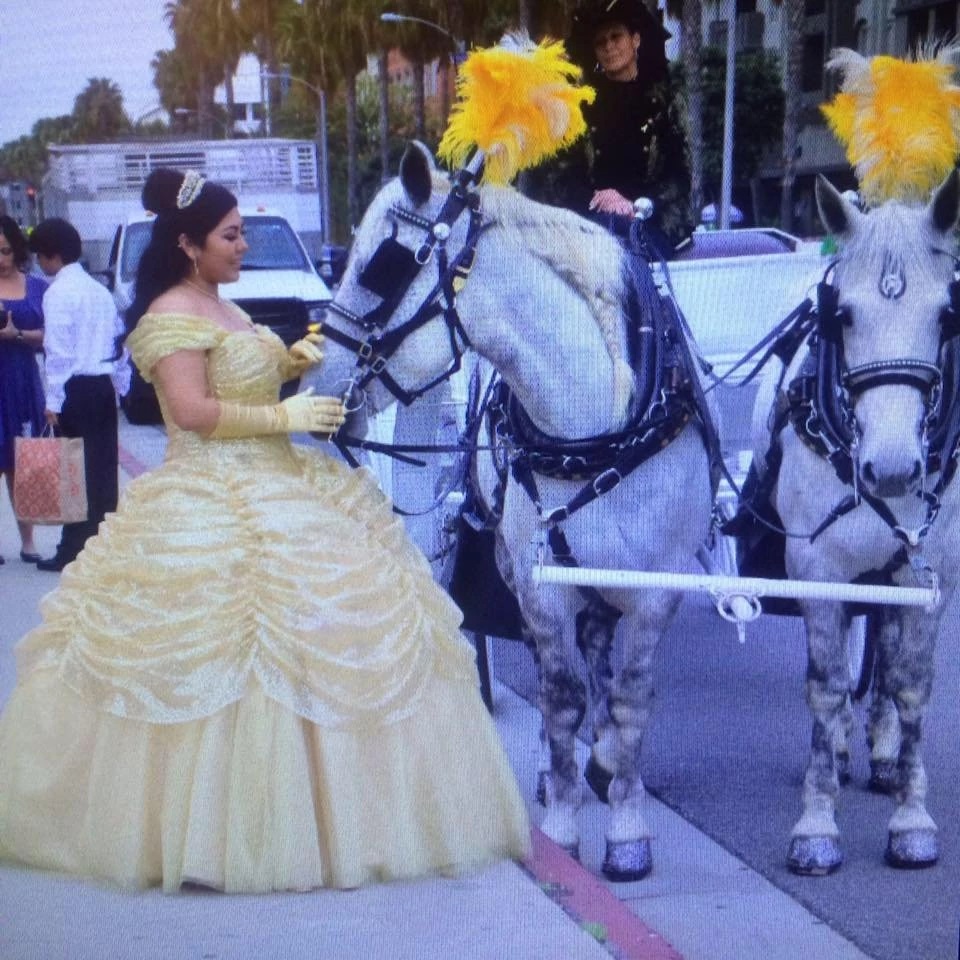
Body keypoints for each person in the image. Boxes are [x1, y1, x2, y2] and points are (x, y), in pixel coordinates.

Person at [0, 168, 529, 893]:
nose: (243, 244)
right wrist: (285, 416)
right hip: (210, 489)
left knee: (331, 633)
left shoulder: (224, 307)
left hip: (282, 479)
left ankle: (341, 813)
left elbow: (240, 380)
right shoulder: (167, 317)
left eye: (241, 231)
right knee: (216, 652)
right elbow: (190, 411)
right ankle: (212, 831)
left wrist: (289, 362)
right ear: (189, 245)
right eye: (231, 234)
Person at [528, 0, 694, 259]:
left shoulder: (666, 99)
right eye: (600, 42)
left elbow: (680, 174)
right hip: (593, 224)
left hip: (654, 220)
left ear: (635, 40)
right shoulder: (580, 104)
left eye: (616, 37)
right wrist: (598, 198)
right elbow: (561, 176)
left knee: (631, 257)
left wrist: (638, 205)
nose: (609, 47)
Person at [27, 218, 128, 572]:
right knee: (102, 469)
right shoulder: (100, 291)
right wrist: (120, 384)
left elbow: (59, 352)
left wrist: (53, 401)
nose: (40, 264)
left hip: (75, 387)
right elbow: (119, 341)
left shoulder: (58, 293)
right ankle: (103, 543)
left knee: (74, 472)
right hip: (101, 385)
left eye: (40, 256)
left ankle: (72, 548)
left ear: (51, 255)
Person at [0, 216, 46, 566]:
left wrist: (17, 335)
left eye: (5, 251)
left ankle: (28, 541)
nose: (1, 259)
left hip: (22, 380)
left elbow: (52, 336)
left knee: (23, 462)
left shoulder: (37, 287)